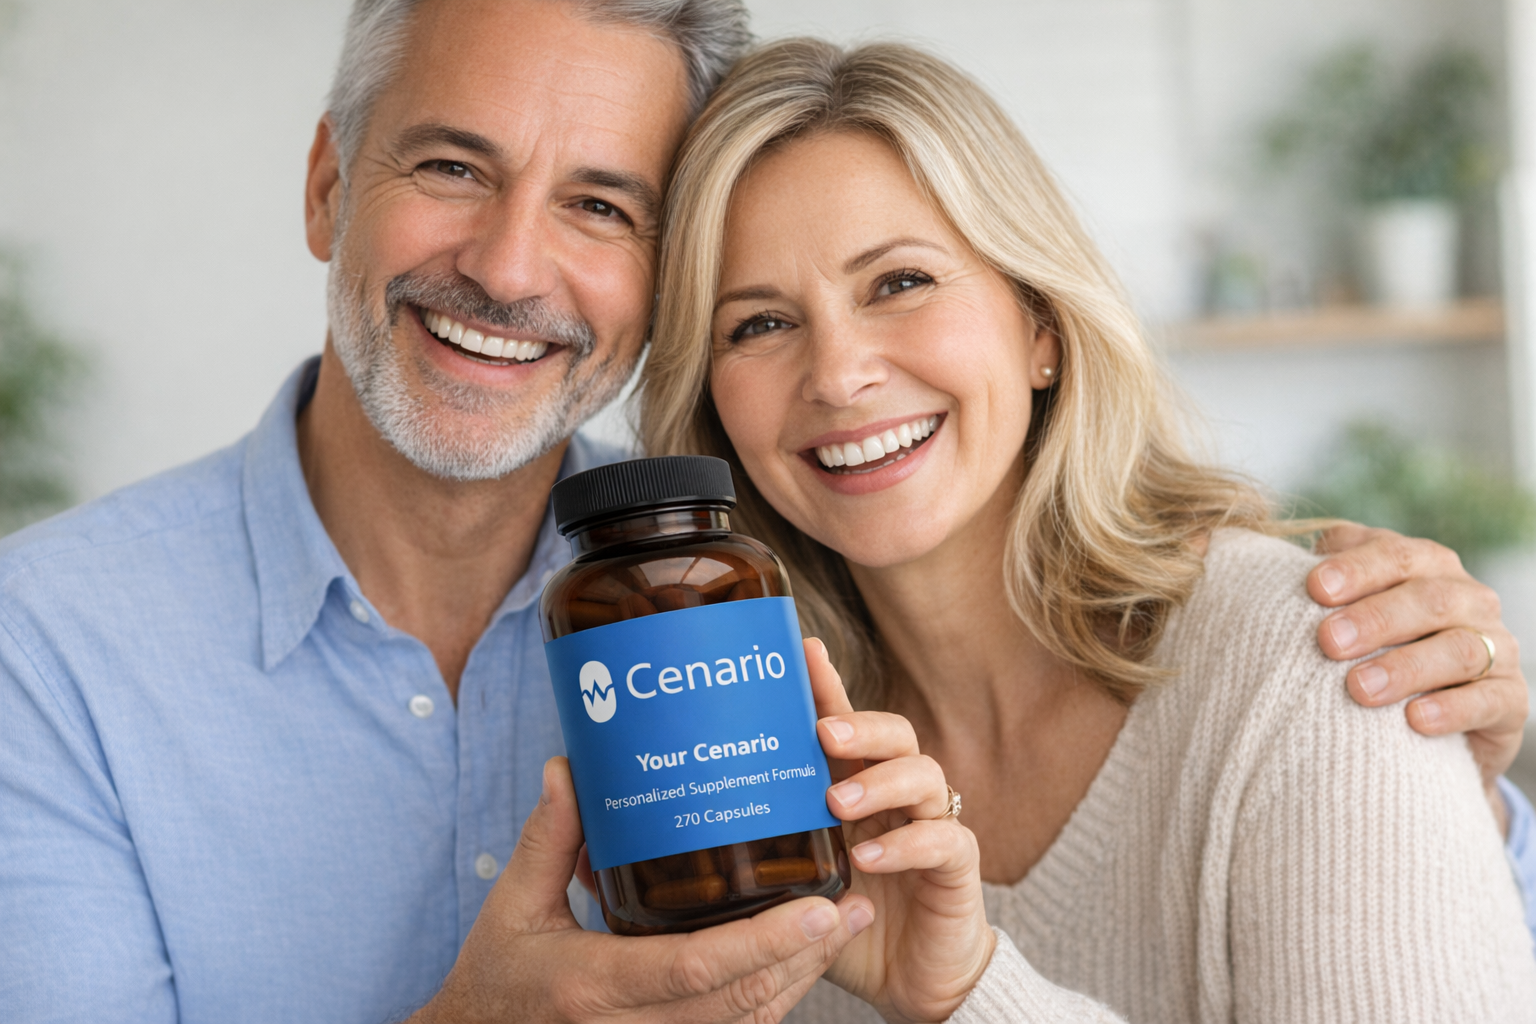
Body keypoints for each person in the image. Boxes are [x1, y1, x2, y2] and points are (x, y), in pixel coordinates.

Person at [0, 2, 1528, 1021]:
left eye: (602, 205)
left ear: (1044, 321)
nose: (517, 267)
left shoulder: (756, 635)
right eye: (453, 166)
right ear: (331, 186)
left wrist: (1463, 783)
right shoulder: (50, 657)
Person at [634, 37, 1536, 1021]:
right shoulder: (758, 778)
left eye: (899, 282)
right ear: (714, 410)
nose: (838, 373)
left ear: (1042, 327)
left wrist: (973, 994)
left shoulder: (1319, 662)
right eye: (758, 324)